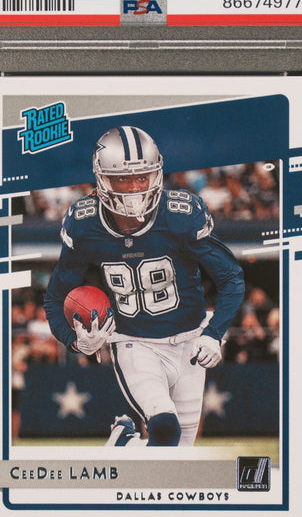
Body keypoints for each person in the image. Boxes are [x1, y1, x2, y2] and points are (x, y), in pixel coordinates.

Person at [44, 126, 245, 446]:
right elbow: (55, 299)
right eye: (122, 179)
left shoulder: (180, 215)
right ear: (102, 179)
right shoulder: (85, 224)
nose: (135, 187)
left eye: (142, 176)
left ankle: (125, 445)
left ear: (157, 173)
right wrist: (77, 343)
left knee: (176, 459)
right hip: (134, 342)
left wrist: (213, 333)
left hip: (190, 343)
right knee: (165, 427)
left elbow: (231, 277)